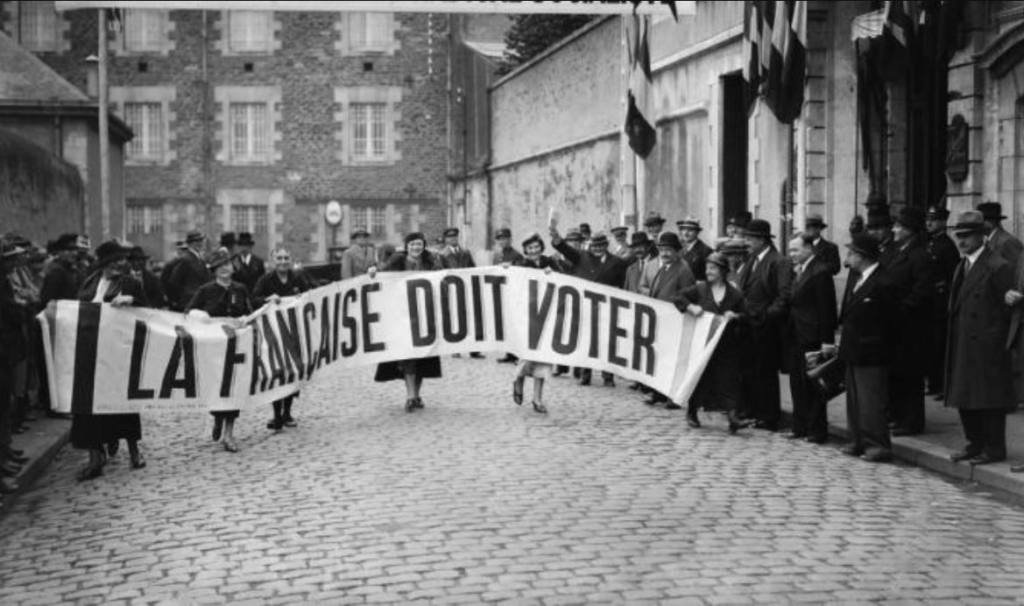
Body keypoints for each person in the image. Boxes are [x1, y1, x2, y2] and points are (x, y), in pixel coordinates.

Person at [944, 211, 1015, 467]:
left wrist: (997, 340)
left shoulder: (997, 265)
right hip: (964, 340)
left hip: (988, 344)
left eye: (967, 237)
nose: (961, 242)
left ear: (981, 236)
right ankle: (974, 443)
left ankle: (994, 448)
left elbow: (1009, 308)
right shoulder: (962, 265)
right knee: (966, 396)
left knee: (988, 398)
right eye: (958, 236)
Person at [74, 240, 148, 480]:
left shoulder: (130, 283)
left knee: (123, 402)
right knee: (88, 405)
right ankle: (95, 456)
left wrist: (132, 302)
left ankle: (134, 450)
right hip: (90, 351)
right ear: (104, 263)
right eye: (114, 261)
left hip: (118, 351)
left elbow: (149, 313)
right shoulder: (90, 281)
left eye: (121, 261)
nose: (120, 265)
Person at [825, 234, 894, 463]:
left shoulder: (883, 281)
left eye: (851, 253)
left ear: (862, 256)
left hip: (872, 350)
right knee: (854, 400)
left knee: (871, 401)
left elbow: (891, 320)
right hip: (854, 348)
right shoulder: (860, 278)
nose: (848, 258)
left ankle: (877, 444)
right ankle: (856, 440)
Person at [186, 247, 252, 452]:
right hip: (213, 348)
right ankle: (217, 416)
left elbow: (249, 312)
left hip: (236, 347)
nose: (224, 269)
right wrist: (204, 318)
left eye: (227, 264)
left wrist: (244, 320)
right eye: (218, 267)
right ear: (213, 270)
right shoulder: (205, 291)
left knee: (234, 388)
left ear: (232, 267)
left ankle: (229, 434)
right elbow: (189, 313)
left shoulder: (240, 289)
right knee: (217, 388)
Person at [678, 253, 752, 434]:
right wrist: (690, 306)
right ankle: (692, 411)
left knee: (729, 379)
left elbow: (747, 315)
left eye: (712, 268)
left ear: (723, 271)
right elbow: (678, 297)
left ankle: (733, 417)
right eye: (707, 268)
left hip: (726, 345)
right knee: (700, 377)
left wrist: (735, 316)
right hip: (702, 344)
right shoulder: (700, 289)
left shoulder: (734, 294)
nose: (708, 271)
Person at [372, 233, 443, 412]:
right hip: (402, 316)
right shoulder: (397, 261)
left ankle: (416, 395)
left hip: (426, 315)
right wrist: (373, 271)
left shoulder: (431, 262)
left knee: (423, 358)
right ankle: (410, 396)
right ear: (407, 246)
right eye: (412, 244)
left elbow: (450, 275)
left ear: (423, 245)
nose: (416, 248)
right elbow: (382, 274)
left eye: (419, 244)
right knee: (407, 357)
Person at [550, 227, 627, 387]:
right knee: (585, 342)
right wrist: (556, 238)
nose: (598, 249)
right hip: (584, 307)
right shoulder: (581, 257)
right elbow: (564, 248)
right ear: (590, 246)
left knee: (607, 343)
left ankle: (608, 376)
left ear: (606, 245)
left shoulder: (617, 263)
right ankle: (586, 375)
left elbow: (622, 286)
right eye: (595, 246)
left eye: (601, 246)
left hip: (606, 308)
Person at [735, 219, 792, 430]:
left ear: (761, 239)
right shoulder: (751, 260)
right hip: (747, 325)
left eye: (749, 238)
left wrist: (767, 317)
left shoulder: (778, 261)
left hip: (766, 328)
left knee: (765, 373)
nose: (746, 242)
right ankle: (752, 411)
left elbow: (784, 296)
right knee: (749, 370)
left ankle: (768, 416)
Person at [252, 247, 314, 431]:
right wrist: (267, 299)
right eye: (279, 258)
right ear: (273, 261)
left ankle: (287, 412)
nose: (283, 261)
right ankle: (276, 414)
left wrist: (301, 298)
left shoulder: (297, 278)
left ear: (291, 259)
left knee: (293, 371)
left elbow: (311, 294)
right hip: (274, 334)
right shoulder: (266, 280)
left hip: (294, 332)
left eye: (286, 257)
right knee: (278, 372)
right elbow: (254, 299)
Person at [783, 234, 837, 444]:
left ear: (809, 248)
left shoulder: (820, 272)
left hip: (812, 337)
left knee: (814, 385)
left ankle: (816, 430)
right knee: (797, 384)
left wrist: (827, 342)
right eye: (790, 250)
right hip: (796, 335)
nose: (792, 254)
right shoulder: (800, 271)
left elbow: (827, 310)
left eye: (795, 250)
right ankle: (799, 427)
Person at [885, 207, 933, 436]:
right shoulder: (897, 251)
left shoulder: (920, 255)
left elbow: (922, 291)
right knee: (896, 374)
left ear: (910, 231)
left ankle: (911, 422)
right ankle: (898, 416)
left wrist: (900, 309)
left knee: (910, 376)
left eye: (898, 226)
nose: (894, 229)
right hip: (895, 325)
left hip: (911, 327)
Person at [640, 232, 696, 409]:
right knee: (660, 358)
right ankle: (659, 393)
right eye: (662, 249)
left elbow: (688, 295)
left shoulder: (683, 269)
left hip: (675, 320)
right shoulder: (662, 268)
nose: (664, 253)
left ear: (677, 251)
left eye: (669, 250)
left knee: (674, 361)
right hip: (661, 319)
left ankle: (674, 396)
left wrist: (675, 308)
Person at [510, 233, 558, 414]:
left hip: (547, 314)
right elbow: (514, 283)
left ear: (541, 247)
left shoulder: (550, 262)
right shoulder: (521, 265)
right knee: (528, 354)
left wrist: (552, 274)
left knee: (544, 357)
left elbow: (564, 279)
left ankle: (537, 399)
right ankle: (518, 379)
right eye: (530, 248)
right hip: (528, 314)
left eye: (536, 247)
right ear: (525, 251)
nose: (534, 251)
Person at [925, 205, 960, 399]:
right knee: (930, 346)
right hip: (929, 305)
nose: (929, 223)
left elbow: (952, 278)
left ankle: (941, 386)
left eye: (934, 220)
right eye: (928, 219)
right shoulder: (929, 243)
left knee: (941, 347)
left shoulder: (947, 246)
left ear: (944, 222)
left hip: (940, 305)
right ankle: (933, 383)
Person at [439, 227, 482, 359]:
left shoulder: (465, 253)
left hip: (466, 290)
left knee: (470, 318)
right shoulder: (442, 255)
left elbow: (473, 268)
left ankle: (473, 349)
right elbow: (440, 273)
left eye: (455, 237)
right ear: (446, 239)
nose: (453, 239)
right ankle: (455, 348)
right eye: (450, 237)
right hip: (451, 291)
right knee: (454, 320)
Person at [491, 227, 523, 364]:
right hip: (501, 291)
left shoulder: (517, 255)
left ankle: (517, 353)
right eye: (499, 239)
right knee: (505, 323)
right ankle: (509, 353)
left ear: (510, 239)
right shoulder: (497, 255)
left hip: (513, 292)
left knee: (515, 323)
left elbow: (520, 273)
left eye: (505, 238)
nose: (502, 241)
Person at [168, 232, 211, 311]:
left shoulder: (199, 259)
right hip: (187, 302)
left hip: (198, 301)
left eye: (201, 241)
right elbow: (174, 281)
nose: (200, 244)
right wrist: (178, 299)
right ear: (190, 244)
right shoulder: (186, 259)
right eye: (196, 241)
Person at [978, 201, 1023, 272]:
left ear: (990, 222)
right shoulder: (989, 241)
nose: (976, 226)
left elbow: (1018, 271)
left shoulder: (1007, 242)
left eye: (979, 222)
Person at [128, 245, 167, 310]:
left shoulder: (153, 279)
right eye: (135, 260)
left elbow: (159, 299)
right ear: (130, 262)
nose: (137, 263)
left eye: (140, 260)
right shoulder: (122, 277)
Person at [677, 217, 712, 282]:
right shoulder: (680, 251)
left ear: (697, 232)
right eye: (684, 230)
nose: (686, 233)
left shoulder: (705, 251)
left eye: (690, 230)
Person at [160, 240, 189, 308]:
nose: (184, 251)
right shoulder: (170, 265)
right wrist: (170, 298)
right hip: (175, 299)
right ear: (178, 250)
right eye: (182, 249)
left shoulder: (188, 263)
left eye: (186, 250)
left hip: (185, 298)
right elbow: (164, 282)